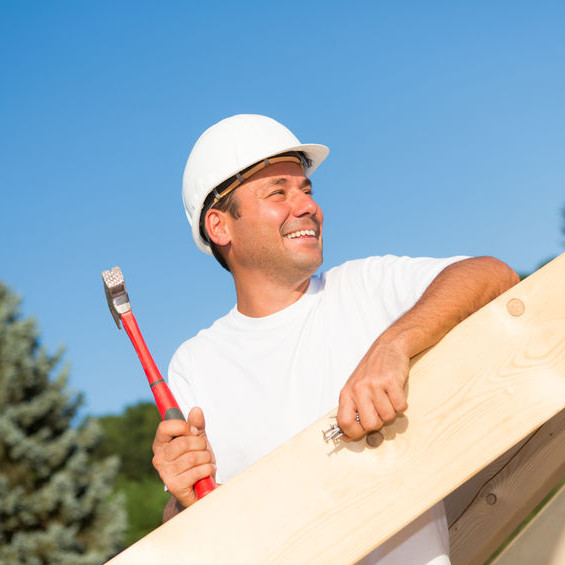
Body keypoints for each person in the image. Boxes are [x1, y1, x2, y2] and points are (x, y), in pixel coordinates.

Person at [152, 114, 519, 564]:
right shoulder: (194, 365)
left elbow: (492, 274)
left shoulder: (364, 288)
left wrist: (394, 344)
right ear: (220, 226)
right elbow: (195, 534)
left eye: (306, 190)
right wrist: (180, 501)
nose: (306, 206)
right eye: (278, 193)